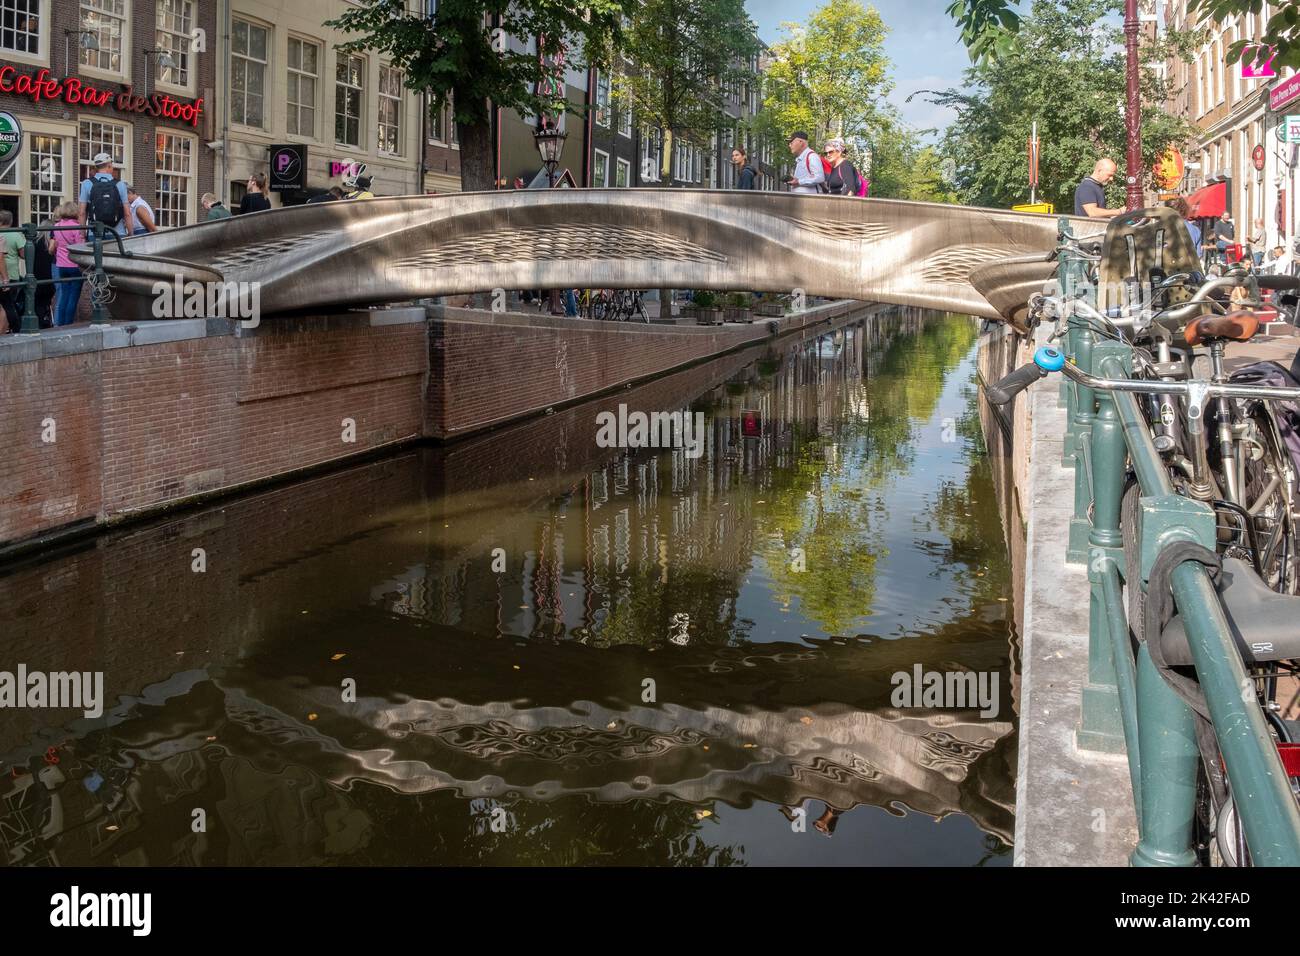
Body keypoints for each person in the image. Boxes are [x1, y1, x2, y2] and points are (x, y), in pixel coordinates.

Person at [78, 151, 133, 238]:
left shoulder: (87, 183)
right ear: (109, 166)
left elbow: (82, 212)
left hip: (95, 232)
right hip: (117, 233)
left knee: (97, 252)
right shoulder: (120, 184)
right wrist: (130, 232)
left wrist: (82, 233)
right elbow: (127, 213)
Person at [49, 201, 86, 328]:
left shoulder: (57, 226)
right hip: (74, 265)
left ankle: (62, 323)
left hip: (61, 265)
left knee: (64, 294)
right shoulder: (77, 227)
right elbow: (80, 247)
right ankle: (69, 323)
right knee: (74, 296)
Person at [0, 210, 26, 333]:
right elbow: (24, 254)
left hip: (4, 273)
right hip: (10, 273)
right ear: (10, 221)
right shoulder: (16, 234)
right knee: (9, 305)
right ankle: (16, 329)